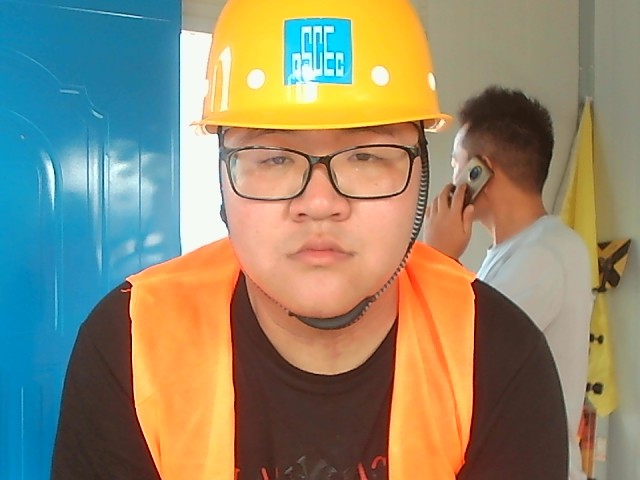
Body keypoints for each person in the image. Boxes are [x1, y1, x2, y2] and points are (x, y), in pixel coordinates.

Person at [51, 2, 569, 479]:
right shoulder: (135, 341)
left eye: (366, 156)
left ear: (422, 176)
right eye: (273, 158)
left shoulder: (496, 355)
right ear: (223, 176)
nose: (320, 203)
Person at [423, 86, 592, 480]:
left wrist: (438, 261)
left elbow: (459, 365)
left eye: (457, 164)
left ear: (480, 171)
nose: (453, 179)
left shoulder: (544, 254)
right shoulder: (524, 251)